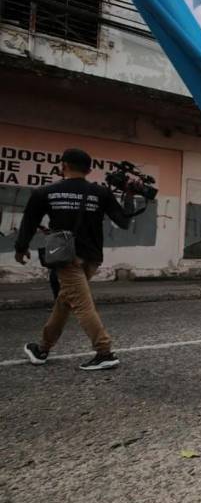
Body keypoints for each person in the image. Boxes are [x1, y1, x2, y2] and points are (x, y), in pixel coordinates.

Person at [14, 149, 136, 370]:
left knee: (81, 305)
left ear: (63, 165)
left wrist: (21, 248)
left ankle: (104, 352)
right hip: (92, 257)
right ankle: (42, 349)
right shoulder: (101, 193)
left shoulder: (46, 192)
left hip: (66, 257)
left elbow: (29, 222)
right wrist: (128, 196)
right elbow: (124, 222)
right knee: (64, 302)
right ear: (89, 170)